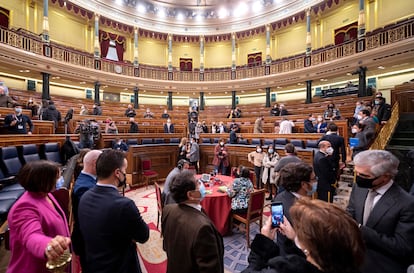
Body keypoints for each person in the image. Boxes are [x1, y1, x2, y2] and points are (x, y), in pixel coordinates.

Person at [243, 198, 364, 273]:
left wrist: (262, 245)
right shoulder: (343, 262)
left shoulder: (285, 269)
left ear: (310, 244)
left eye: (300, 229)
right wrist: (294, 239)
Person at [78, 150, 149, 273]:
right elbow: (143, 236)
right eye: (125, 171)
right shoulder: (124, 205)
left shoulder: (85, 196)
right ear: (117, 173)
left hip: (94, 265)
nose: (125, 175)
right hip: (119, 267)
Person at [346, 150, 414, 273]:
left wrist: (361, 230)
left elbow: (402, 247)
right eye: (357, 173)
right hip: (352, 258)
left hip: (381, 265)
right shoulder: (359, 188)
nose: (358, 179)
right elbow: (350, 213)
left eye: (364, 176)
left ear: (385, 176)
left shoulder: (407, 203)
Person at [7, 161, 71, 273]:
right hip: (34, 268)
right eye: (57, 177)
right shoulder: (24, 207)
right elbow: (31, 235)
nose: (60, 180)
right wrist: (48, 245)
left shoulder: (47, 194)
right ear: (44, 181)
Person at [162, 170, 224, 273]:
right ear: (190, 194)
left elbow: (166, 246)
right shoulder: (203, 228)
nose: (202, 185)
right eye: (198, 183)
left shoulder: (168, 210)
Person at [272, 162, 315, 256]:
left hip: (282, 250)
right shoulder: (304, 212)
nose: (315, 182)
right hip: (296, 256)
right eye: (313, 179)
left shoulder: (279, 197)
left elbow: (276, 225)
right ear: (303, 184)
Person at [71, 150, 102, 271]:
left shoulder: (88, 180)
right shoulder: (85, 187)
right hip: (88, 243)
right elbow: (94, 219)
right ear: (95, 164)